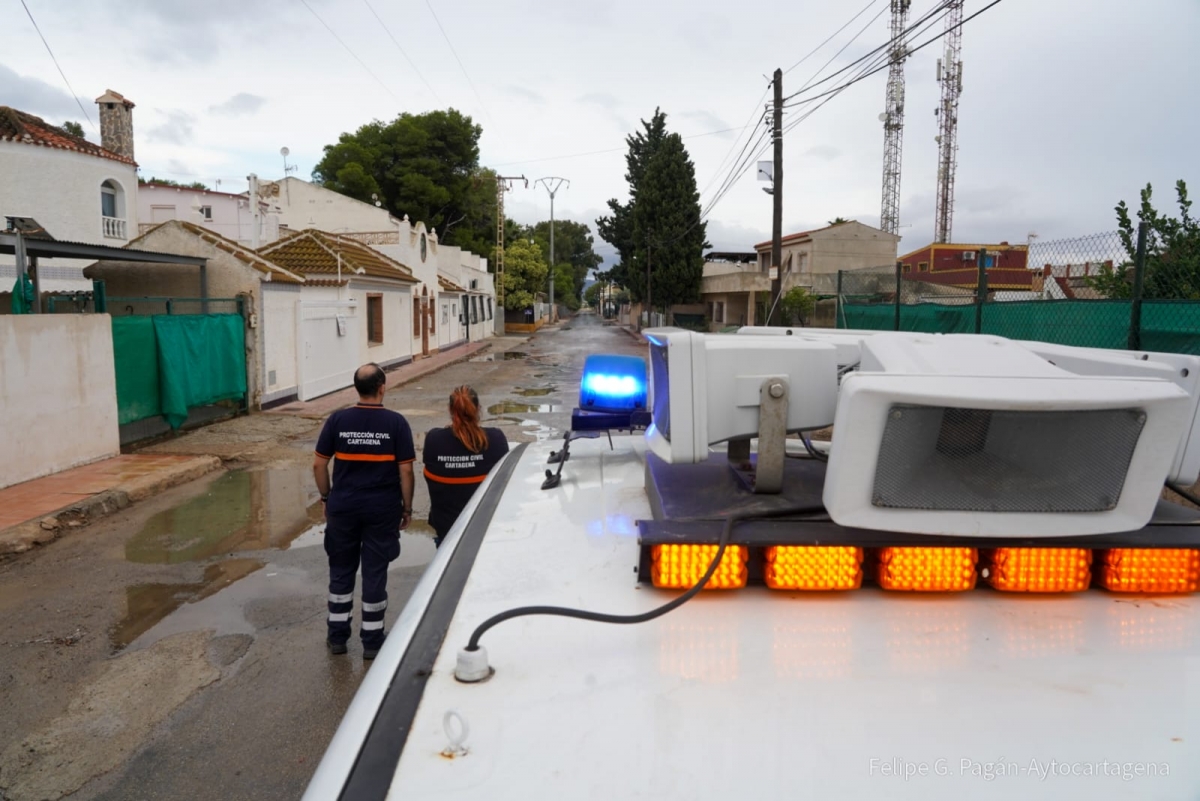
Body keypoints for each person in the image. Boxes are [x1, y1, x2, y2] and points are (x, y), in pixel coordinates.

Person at [313, 363, 415, 659]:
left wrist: (326, 498)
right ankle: (372, 641)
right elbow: (406, 471)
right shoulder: (396, 423)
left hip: (343, 507)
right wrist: (406, 508)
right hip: (382, 509)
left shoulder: (337, 420)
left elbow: (319, 464)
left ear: (356, 388)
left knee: (341, 569)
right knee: (374, 571)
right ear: (382, 387)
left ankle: (337, 637)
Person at [422, 386, 510, 547]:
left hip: (447, 532)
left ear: (450, 409)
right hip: (486, 531)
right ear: (478, 409)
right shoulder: (496, 439)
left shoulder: (434, 440)